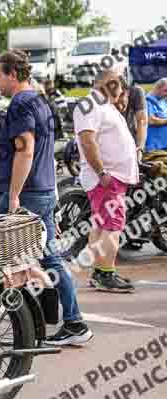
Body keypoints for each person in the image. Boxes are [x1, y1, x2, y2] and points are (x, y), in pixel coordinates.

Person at [0, 50, 93, 346]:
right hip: (43, 190)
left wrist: (13, 196)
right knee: (51, 257)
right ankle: (74, 322)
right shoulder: (39, 100)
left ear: (12, 74)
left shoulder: (21, 104)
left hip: (29, 193)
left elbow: (26, 149)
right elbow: (44, 153)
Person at [74, 67, 138, 293]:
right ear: (109, 83)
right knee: (113, 224)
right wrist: (101, 173)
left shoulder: (102, 105)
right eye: (119, 84)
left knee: (102, 224)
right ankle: (106, 274)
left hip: (110, 177)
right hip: (106, 178)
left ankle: (101, 272)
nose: (122, 90)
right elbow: (87, 141)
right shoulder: (90, 105)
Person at [145, 78, 167, 152]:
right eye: (165, 90)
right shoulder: (147, 101)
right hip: (156, 146)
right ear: (157, 88)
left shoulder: (162, 101)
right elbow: (151, 120)